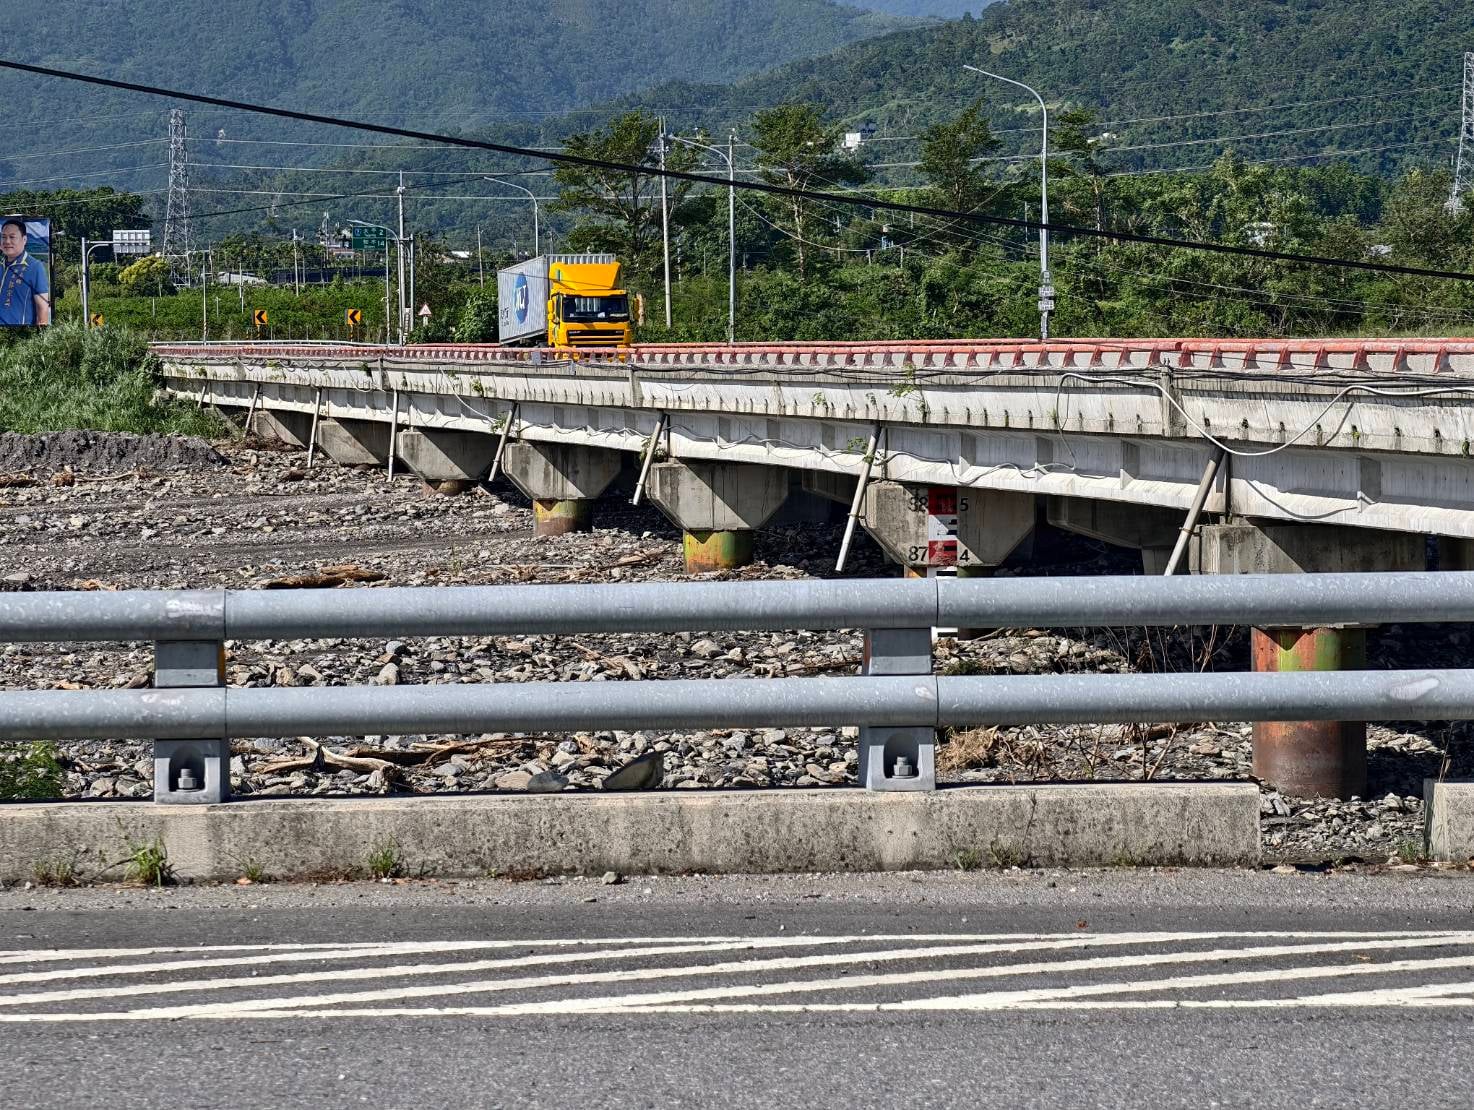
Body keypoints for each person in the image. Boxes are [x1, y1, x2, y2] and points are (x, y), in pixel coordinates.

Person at [0, 217, 50, 326]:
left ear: (24, 240)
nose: (7, 241)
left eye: (12, 237)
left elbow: (42, 308)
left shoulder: (35, 267)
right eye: (3, 237)